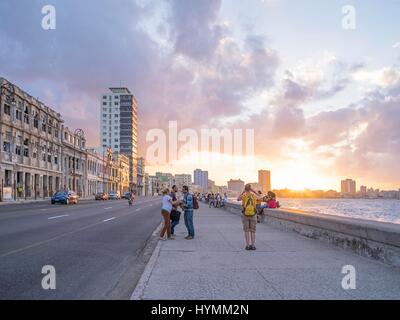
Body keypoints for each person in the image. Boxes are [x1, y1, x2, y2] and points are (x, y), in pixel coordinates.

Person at [237, 184, 263, 250]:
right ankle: (253, 246)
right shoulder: (254, 195)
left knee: (246, 231)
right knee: (253, 231)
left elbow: (238, 199)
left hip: (245, 215)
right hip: (253, 215)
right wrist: (254, 191)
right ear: (250, 189)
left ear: (245, 189)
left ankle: (248, 245)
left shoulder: (244, 195)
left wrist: (243, 192)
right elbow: (260, 197)